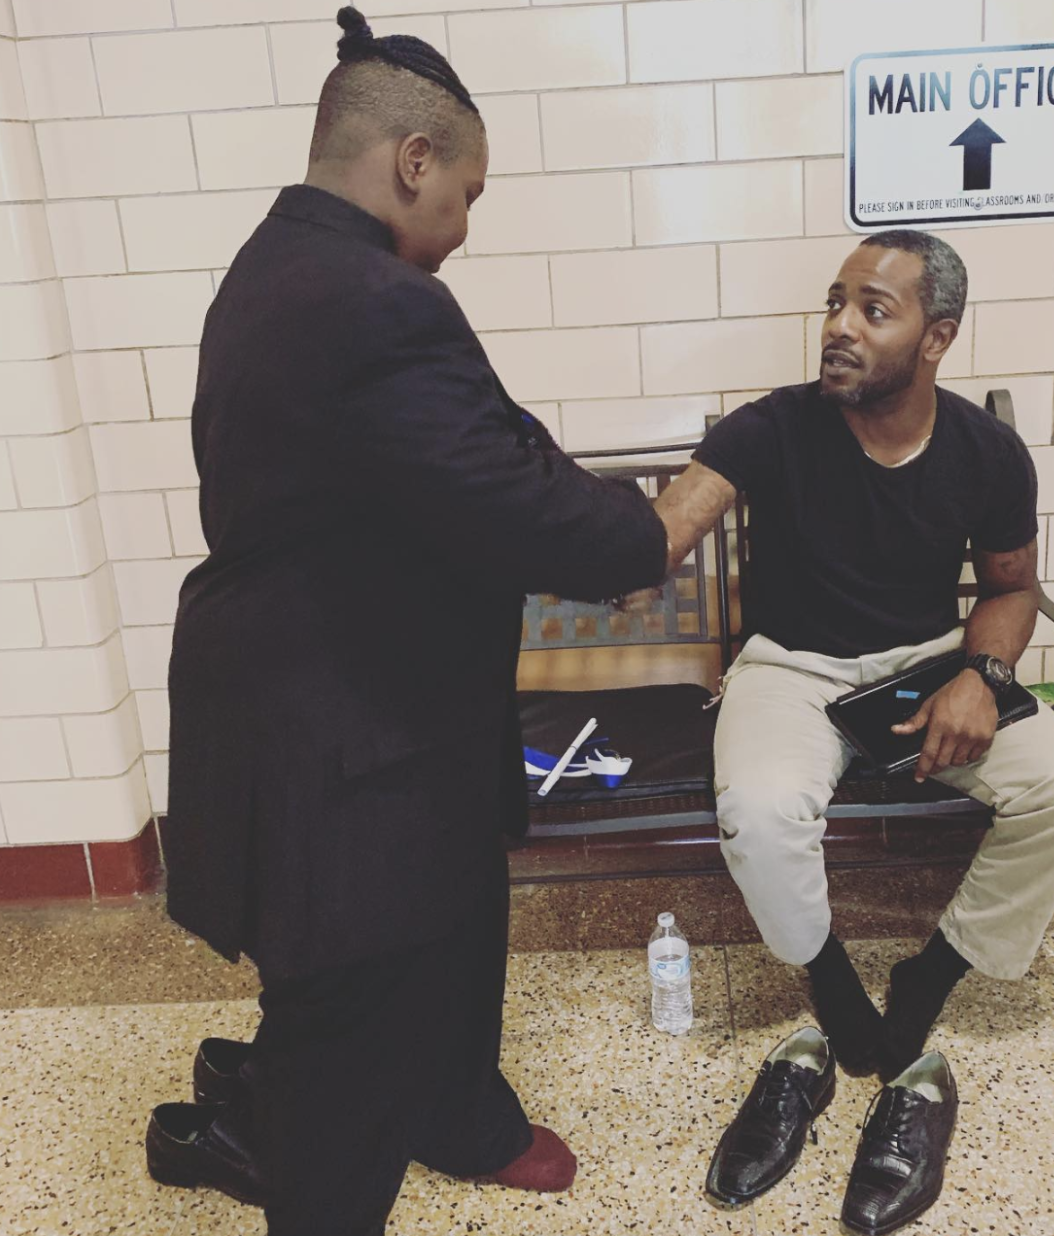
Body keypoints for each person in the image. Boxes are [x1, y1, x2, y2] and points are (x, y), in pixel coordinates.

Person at [149, 9, 671, 1235]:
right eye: (470, 193)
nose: (467, 229)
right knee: (352, 1028)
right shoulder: (375, 301)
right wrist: (680, 503)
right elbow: (560, 528)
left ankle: (454, 1113)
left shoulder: (278, 260)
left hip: (356, 698)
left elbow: (465, 457)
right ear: (414, 159)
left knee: (447, 935)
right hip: (338, 736)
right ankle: (299, 1134)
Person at [643, 229, 1054, 1080]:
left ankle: (933, 969)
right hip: (789, 666)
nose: (839, 327)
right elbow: (664, 533)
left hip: (930, 666)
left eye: (873, 310)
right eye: (834, 303)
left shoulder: (987, 452)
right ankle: (830, 976)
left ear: (937, 337)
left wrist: (984, 675)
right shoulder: (774, 427)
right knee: (760, 808)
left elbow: (1013, 588)